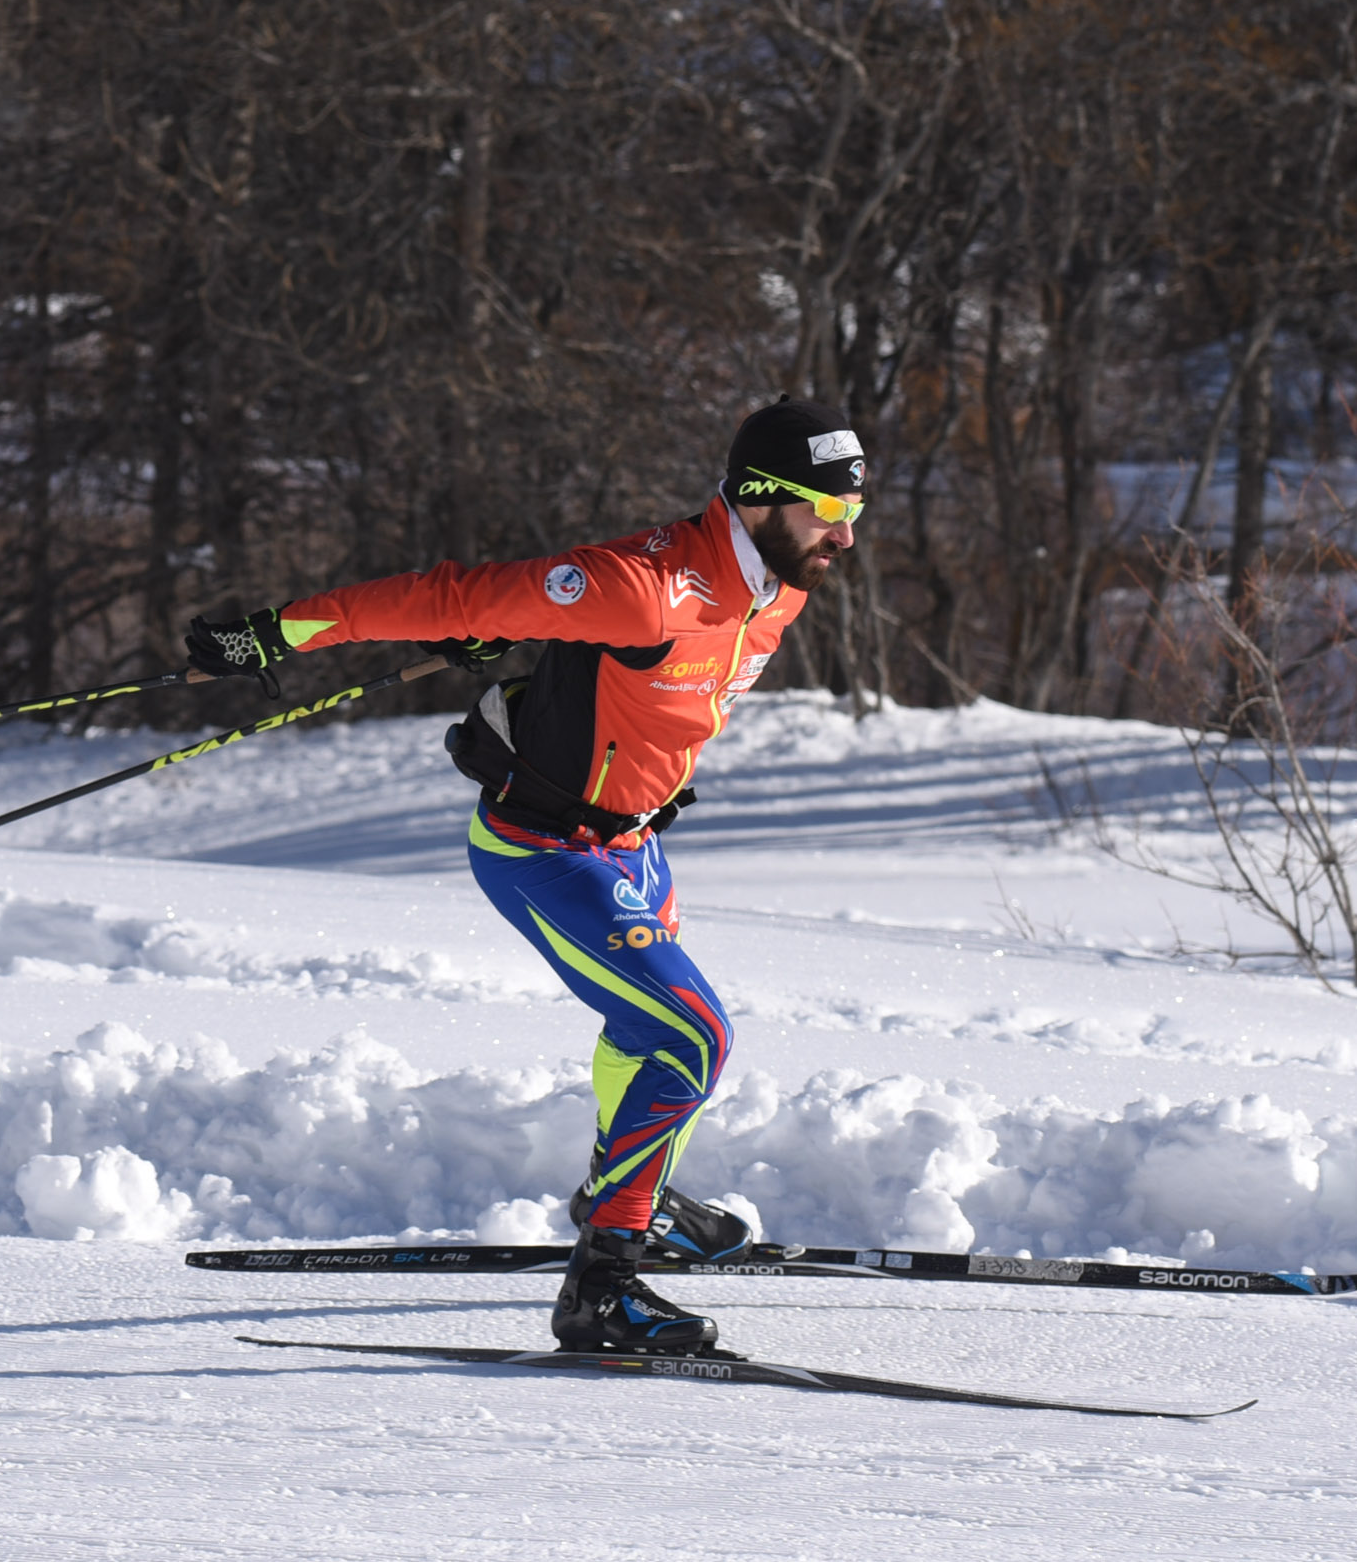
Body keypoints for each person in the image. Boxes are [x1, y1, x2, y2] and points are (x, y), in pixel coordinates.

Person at [186, 396, 867, 1355]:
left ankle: (629, 1194)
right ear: (761, 501)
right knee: (691, 1035)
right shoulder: (644, 587)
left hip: (635, 845)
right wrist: (278, 632)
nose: (844, 535)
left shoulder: (778, 588)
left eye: (854, 513)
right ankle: (602, 1285)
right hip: (545, 848)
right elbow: (452, 594)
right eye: (827, 511)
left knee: (643, 1036)